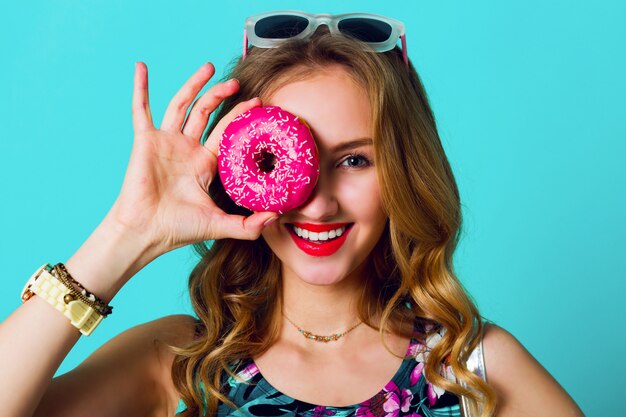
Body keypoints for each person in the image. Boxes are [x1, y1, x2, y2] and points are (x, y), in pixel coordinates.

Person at [0, 11, 584, 417]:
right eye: (283, 161)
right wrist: (125, 235)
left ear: (403, 172)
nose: (318, 200)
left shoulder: (472, 367)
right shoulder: (182, 364)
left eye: (354, 159)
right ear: (237, 173)